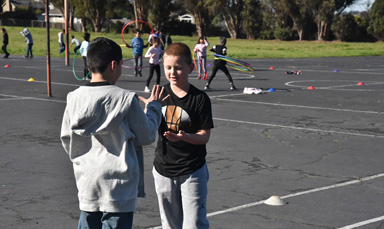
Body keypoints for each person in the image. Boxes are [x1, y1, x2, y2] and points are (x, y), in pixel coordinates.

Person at [60, 37, 167, 229]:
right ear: (113, 65)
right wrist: (153, 107)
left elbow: (67, 139)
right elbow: (147, 134)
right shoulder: (125, 99)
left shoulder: (73, 98)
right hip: (118, 186)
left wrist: (82, 160)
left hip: (87, 181)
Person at [152, 42, 213, 228]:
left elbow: (204, 136)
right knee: (169, 224)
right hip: (163, 170)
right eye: (168, 68)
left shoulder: (199, 99)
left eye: (178, 68)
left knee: (194, 223)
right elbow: (147, 128)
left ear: (190, 68)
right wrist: (149, 109)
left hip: (192, 170)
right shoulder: (160, 94)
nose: (172, 73)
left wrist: (184, 137)